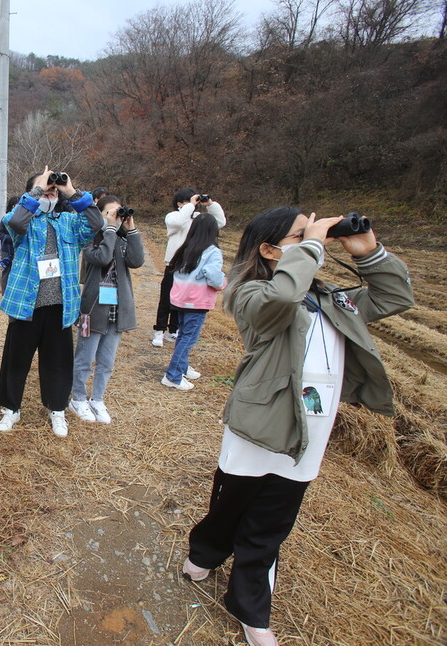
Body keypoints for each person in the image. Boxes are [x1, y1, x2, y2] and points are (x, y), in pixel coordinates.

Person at [181, 208, 413, 646]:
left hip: (312, 425)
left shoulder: (328, 298)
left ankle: (251, 609)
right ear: (270, 250)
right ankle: (205, 553)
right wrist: (311, 246)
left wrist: (369, 253)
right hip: (260, 421)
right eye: (300, 236)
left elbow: (393, 299)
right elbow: (283, 299)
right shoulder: (251, 294)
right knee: (232, 504)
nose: (315, 243)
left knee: (272, 520)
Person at [0, 166, 103, 437]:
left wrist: (71, 190)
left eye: (53, 188)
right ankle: (11, 408)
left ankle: (57, 409)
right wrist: (38, 189)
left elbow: (95, 224)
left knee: (58, 361)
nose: (50, 190)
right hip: (26, 305)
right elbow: (15, 222)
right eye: (45, 187)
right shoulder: (24, 220)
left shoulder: (68, 221)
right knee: (16, 360)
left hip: (60, 305)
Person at [68, 196, 145, 424]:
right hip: (93, 308)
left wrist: (130, 230)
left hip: (117, 309)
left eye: (118, 213)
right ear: (99, 215)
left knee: (106, 360)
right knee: (85, 357)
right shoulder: (91, 239)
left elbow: (137, 260)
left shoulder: (122, 239)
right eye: (110, 213)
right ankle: (78, 397)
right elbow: (101, 258)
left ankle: (97, 399)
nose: (115, 218)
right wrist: (110, 229)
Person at [153, 189, 226, 347]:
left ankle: (174, 330)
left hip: (195, 265)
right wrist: (190, 205)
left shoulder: (199, 219)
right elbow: (179, 222)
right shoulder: (173, 216)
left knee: (183, 300)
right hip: (174, 264)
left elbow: (219, 223)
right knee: (167, 299)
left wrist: (211, 205)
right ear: (180, 203)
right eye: (188, 201)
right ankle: (159, 330)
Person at [161, 213, 225, 391]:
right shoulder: (212, 252)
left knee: (183, 335)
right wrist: (223, 283)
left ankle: (182, 368)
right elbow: (214, 278)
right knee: (188, 338)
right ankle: (173, 376)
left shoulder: (185, 248)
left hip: (180, 300)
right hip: (196, 303)